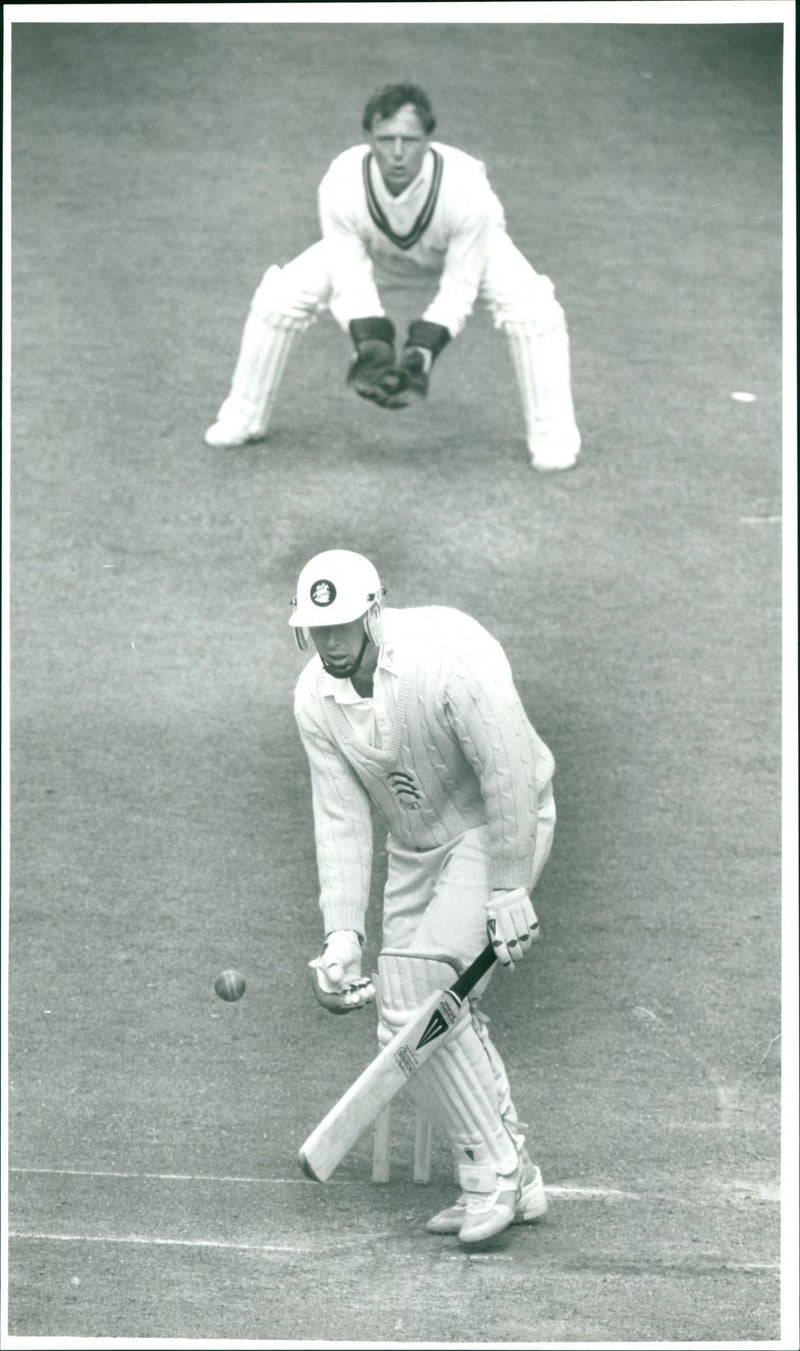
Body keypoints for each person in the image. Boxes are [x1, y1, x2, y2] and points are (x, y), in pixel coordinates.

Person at [290, 548, 557, 1244]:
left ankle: (493, 1170)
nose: (329, 642)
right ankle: (515, 1175)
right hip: (416, 849)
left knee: (422, 997)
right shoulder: (315, 697)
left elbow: (511, 772)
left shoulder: (449, 659)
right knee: (400, 1023)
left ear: (375, 611)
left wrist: (505, 888)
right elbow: (341, 818)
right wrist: (343, 935)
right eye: (316, 629)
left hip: (497, 825)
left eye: (343, 624)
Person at [207, 82, 581, 472]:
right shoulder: (341, 182)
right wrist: (373, 344)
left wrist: (423, 349)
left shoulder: (467, 189)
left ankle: (552, 434)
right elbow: (348, 271)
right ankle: (244, 414)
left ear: (429, 139)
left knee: (535, 312)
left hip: (470, 253)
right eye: (387, 140)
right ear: (368, 138)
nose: (398, 153)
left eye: (410, 139)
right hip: (378, 252)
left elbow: (459, 286)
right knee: (280, 297)